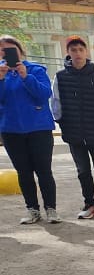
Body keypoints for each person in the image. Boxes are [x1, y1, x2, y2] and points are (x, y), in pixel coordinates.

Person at [51, 35, 94, 220]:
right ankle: (89, 204)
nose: (78, 53)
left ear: (86, 51)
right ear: (68, 53)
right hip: (74, 134)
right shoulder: (60, 77)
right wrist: (63, 122)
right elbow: (55, 103)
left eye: (81, 49)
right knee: (83, 171)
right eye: (73, 50)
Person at [0, 34, 59, 224]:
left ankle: (51, 209)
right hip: (11, 130)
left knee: (44, 171)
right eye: (1, 50)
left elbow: (44, 94)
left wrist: (26, 76)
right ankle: (32, 209)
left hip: (38, 129)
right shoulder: (0, 74)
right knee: (23, 172)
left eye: (10, 49)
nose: (5, 53)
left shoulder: (35, 69)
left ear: (19, 50)